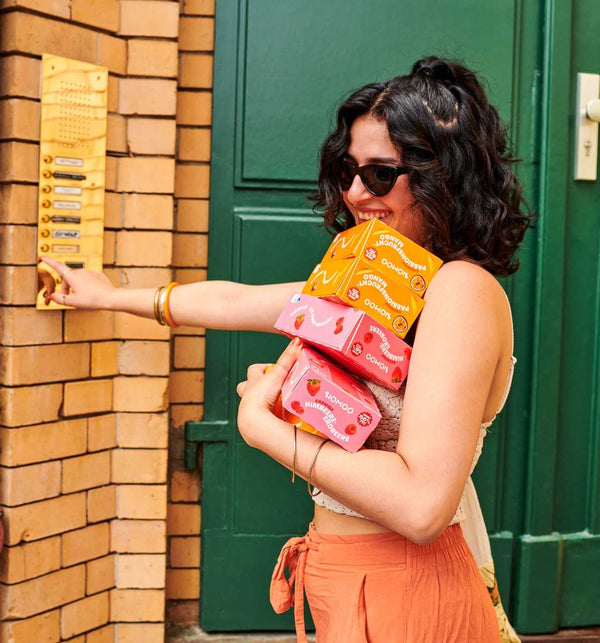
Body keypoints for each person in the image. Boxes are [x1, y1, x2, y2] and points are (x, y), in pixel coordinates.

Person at [40, 56, 532, 642]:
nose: (354, 193)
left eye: (380, 175)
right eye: (347, 171)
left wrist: (264, 428)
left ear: (442, 175)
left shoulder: (460, 290)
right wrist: (113, 296)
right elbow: (234, 301)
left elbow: (422, 505)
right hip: (345, 580)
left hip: (406, 591)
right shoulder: (383, 288)